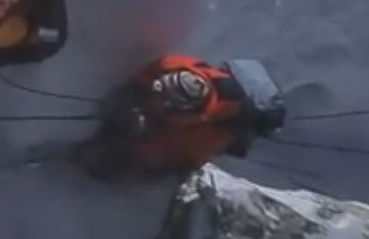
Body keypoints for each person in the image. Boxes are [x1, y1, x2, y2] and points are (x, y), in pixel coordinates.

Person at [75, 55, 287, 179]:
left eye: (162, 98)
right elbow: (145, 77)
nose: (156, 96)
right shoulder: (172, 64)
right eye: (159, 88)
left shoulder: (210, 135)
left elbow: (170, 160)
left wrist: (141, 140)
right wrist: (126, 96)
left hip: (162, 136)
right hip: (157, 120)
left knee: (119, 163)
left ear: (179, 108)